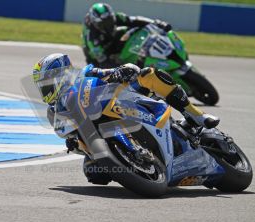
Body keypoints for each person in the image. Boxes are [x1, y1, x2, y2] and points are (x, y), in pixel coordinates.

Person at [32, 53, 220, 184]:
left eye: (46, 84)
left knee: (148, 75)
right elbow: (69, 137)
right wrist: (75, 143)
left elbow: (108, 72)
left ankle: (196, 115)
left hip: (123, 102)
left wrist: (120, 71)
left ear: (60, 74)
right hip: (97, 136)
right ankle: (137, 167)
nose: (45, 90)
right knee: (95, 176)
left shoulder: (84, 75)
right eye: (42, 86)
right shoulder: (54, 111)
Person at [82, 2, 172, 68]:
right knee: (99, 76)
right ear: (96, 23)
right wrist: (122, 69)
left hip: (110, 41)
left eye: (110, 20)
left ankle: (136, 57)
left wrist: (157, 23)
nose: (109, 25)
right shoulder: (92, 38)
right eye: (105, 23)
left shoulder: (115, 17)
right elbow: (103, 61)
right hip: (96, 57)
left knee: (127, 30)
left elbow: (135, 20)